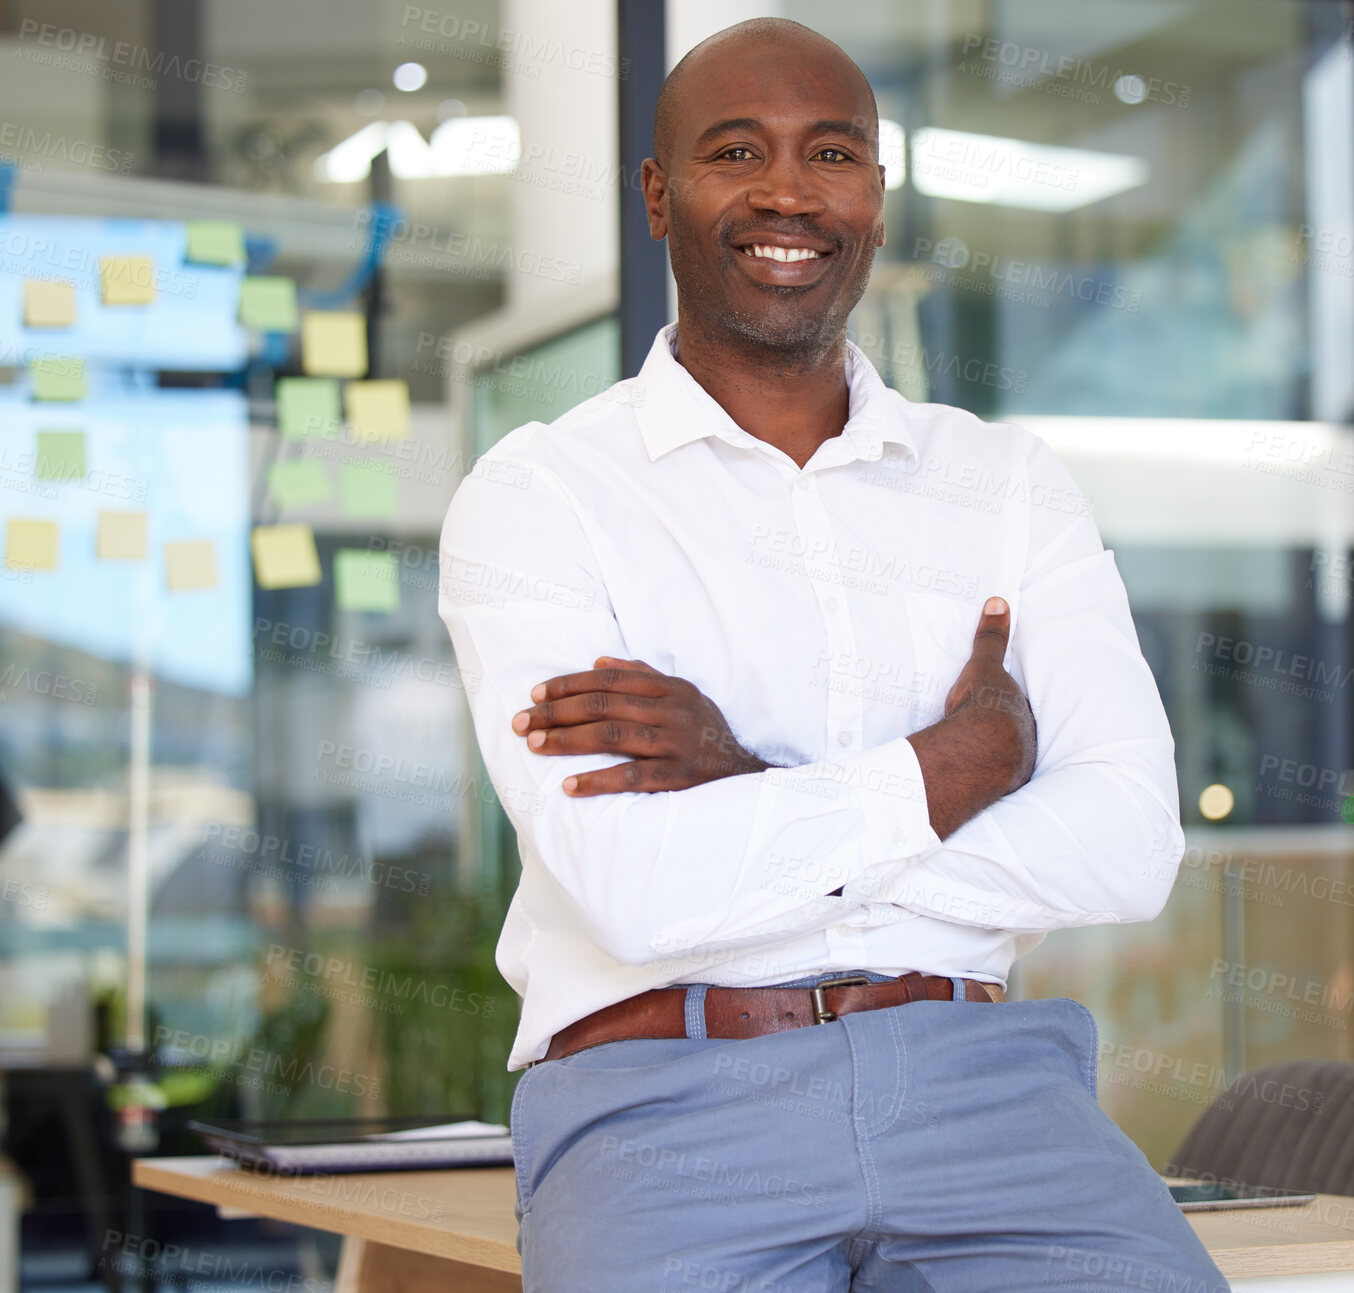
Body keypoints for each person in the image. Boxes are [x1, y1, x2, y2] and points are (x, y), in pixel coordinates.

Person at [438, 17, 1227, 1292]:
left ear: (877, 191)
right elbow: (634, 895)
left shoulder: (1006, 484)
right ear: (658, 195)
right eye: (735, 151)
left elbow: (1130, 844)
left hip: (987, 1089)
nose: (789, 193)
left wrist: (746, 781)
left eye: (835, 153)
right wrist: (955, 765)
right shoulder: (541, 495)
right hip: (664, 1105)